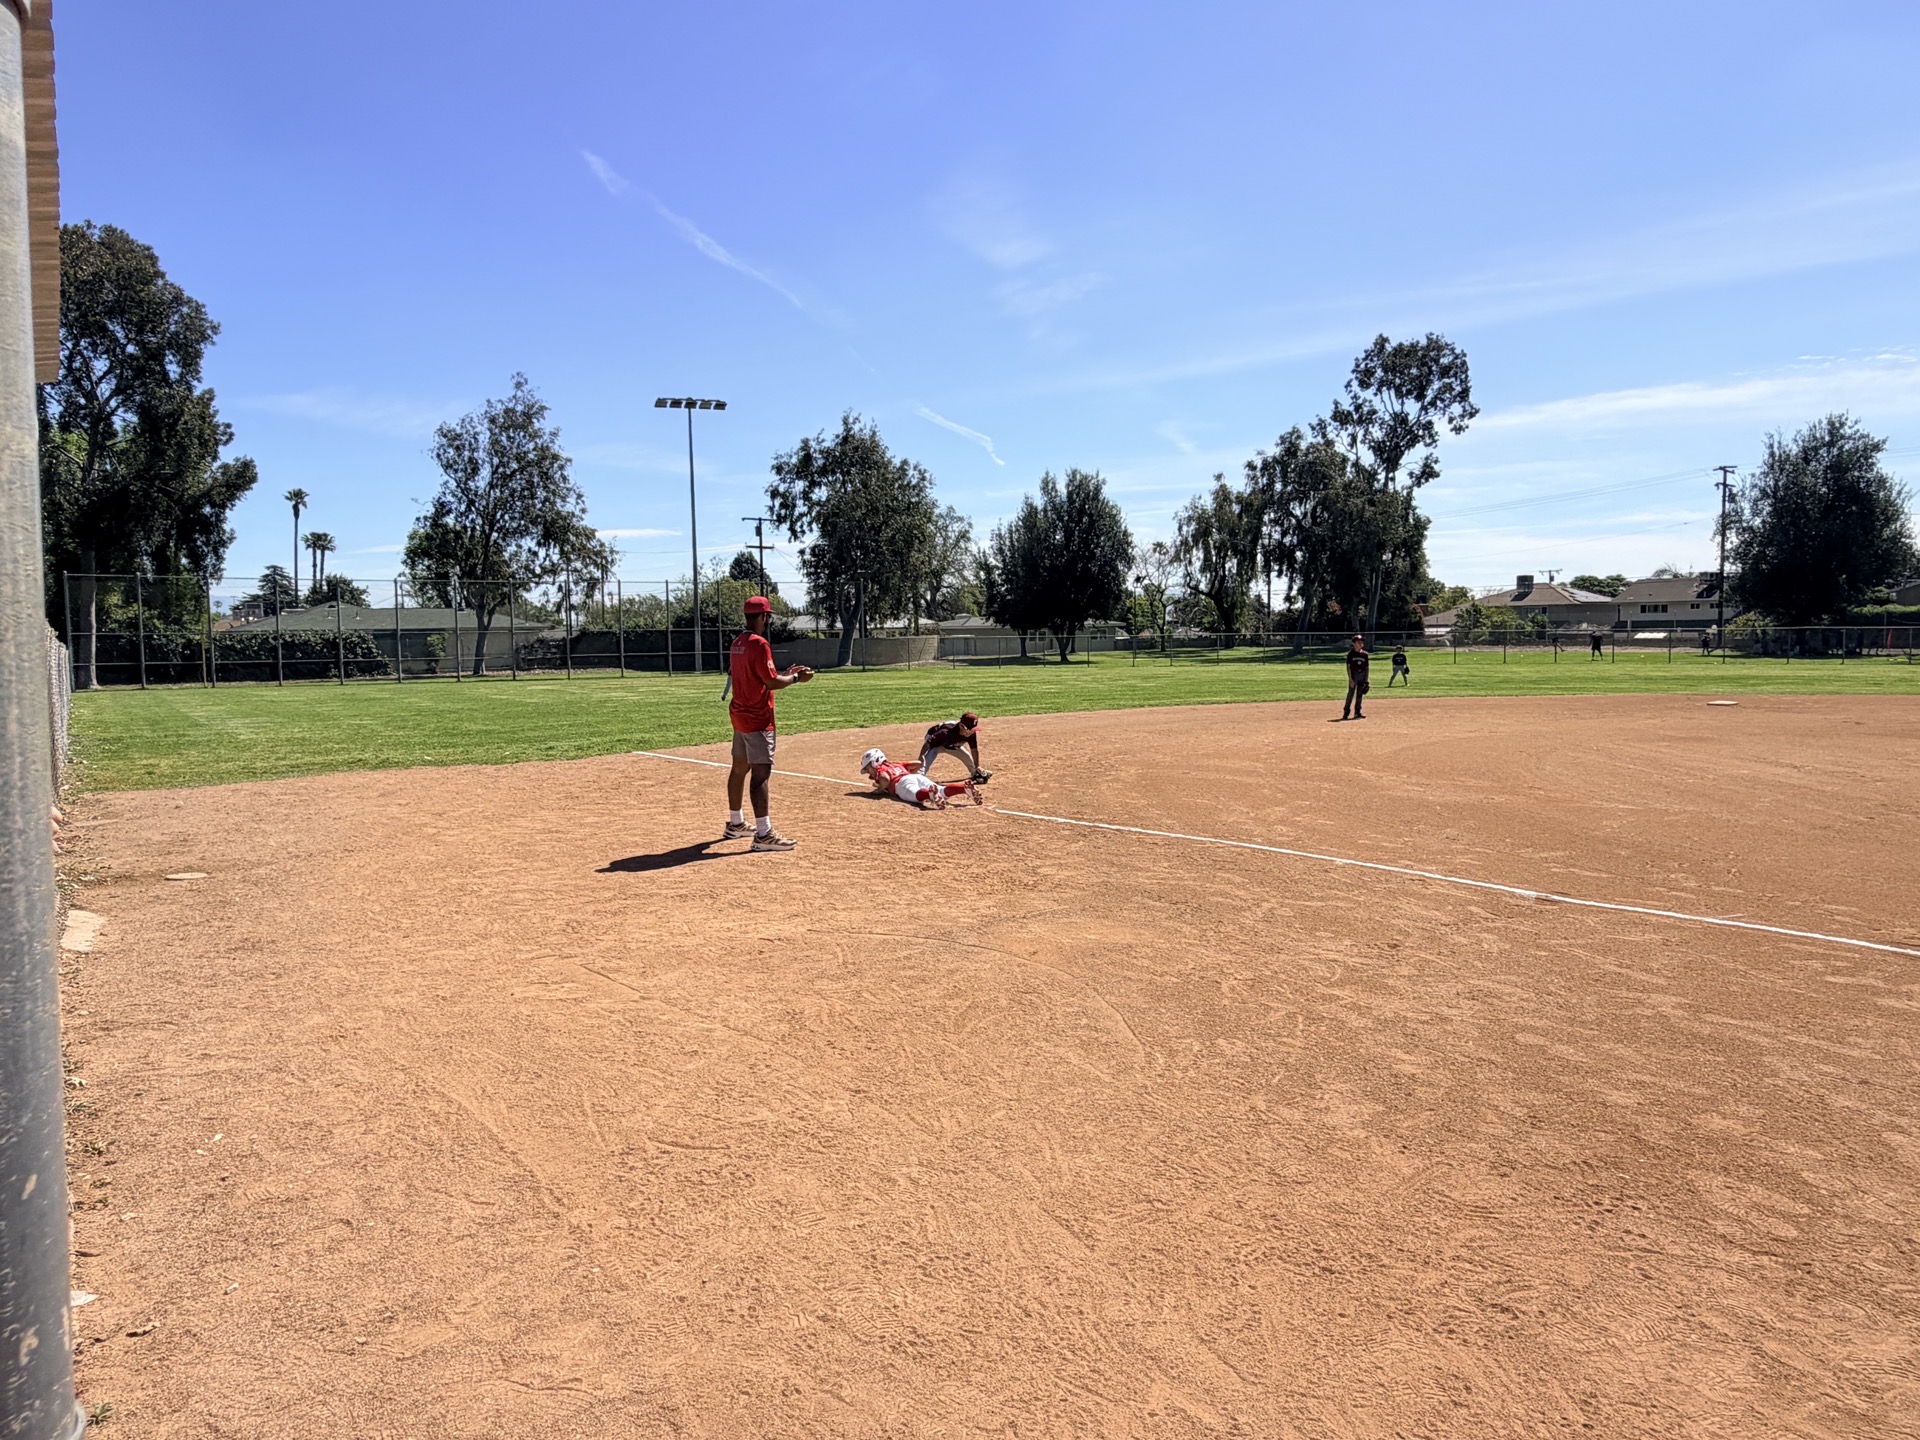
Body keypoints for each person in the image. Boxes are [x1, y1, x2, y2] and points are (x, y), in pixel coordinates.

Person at [724, 596, 813, 850]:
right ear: (763, 617)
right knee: (761, 775)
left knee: (739, 769)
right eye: (767, 617)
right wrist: (795, 679)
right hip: (758, 719)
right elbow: (771, 683)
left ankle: (735, 823)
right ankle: (763, 834)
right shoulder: (760, 644)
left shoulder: (738, 643)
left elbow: (761, 677)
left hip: (740, 715)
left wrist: (785, 674)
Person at [860, 748, 982, 809]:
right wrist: (908, 773)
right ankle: (963, 788)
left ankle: (929, 794)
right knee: (941, 791)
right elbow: (918, 764)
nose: (869, 772)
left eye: (868, 768)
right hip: (915, 777)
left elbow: (885, 779)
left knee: (916, 795)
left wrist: (880, 790)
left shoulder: (880, 770)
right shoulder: (896, 764)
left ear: (874, 763)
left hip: (901, 784)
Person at [920, 711, 991, 781]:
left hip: (952, 744)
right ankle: (920, 774)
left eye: (973, 729)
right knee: (932, 752)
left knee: (966, 756)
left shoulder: (971, 733)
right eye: (970, 729)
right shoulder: (945, 733)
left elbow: (974, 749)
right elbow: (927, 744)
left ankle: (974, 772)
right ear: (961, 726)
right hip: (937, 743)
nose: (972, 732)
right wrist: (921, 757)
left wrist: (977, 766)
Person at [1340, 633, 1370, 720]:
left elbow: (1367, 668)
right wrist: (1350, 679)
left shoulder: (1365, 654)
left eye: (1361, 642)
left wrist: (1366, 679)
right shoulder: (1351, 654)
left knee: (1360, 694)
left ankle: (1358, 712)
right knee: (1351, 694)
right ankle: (1346, 712)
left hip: (1362, 675)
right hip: (1354, 675)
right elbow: (1348, 667)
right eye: (1358, 642)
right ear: (1353, 643)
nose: (1361, 643)